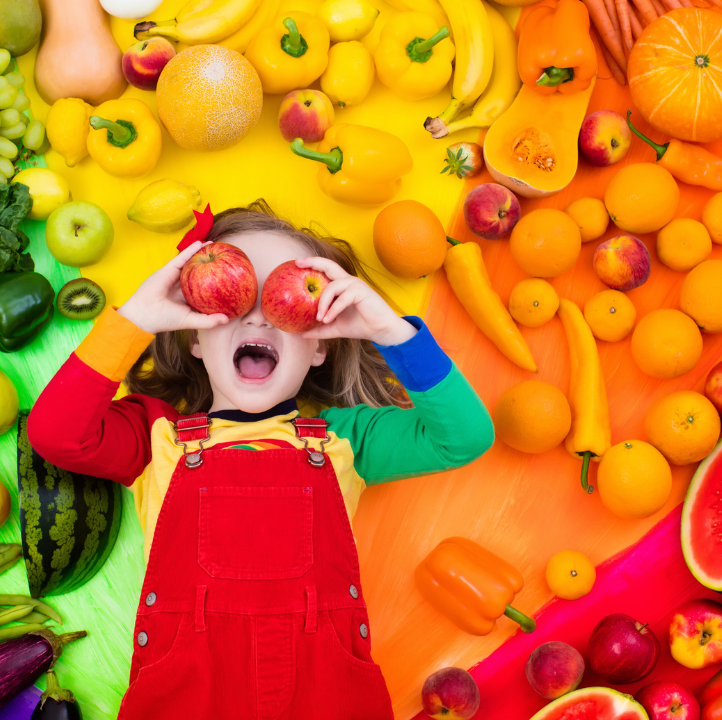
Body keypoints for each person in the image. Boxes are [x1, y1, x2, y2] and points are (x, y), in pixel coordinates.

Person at [27, 201, 495, 720]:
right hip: (186, 698)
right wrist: (136, 320)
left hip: (327, 699)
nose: (256, 315)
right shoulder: (159, 437)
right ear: (195, 337)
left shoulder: (346, 440)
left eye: (282, 299)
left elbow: (464, 438)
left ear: (319, 347)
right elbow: (55, 434)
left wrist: (389, 331)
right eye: (236, 297)